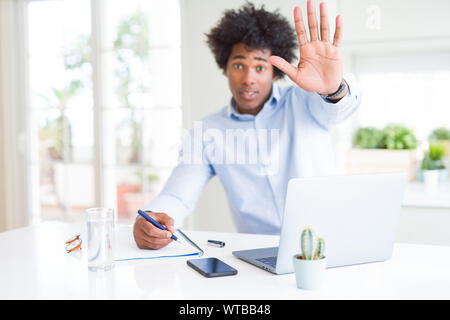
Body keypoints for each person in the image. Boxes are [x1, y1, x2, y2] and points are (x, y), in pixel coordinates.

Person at [133, 0, 361, 249]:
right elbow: (178, 195)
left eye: (260, 67)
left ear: (275, 72)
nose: (248, 79)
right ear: (225, 68)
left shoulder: (304, 101)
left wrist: (333, 88)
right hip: (259, 257)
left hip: (325, 247)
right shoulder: (207, 132)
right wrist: (155, 218)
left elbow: (340, 106)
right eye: (239, 65)